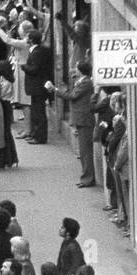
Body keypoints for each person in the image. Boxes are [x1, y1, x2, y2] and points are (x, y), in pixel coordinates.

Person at [50, 60, 96, 188]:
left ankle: (88, 178)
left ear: (81, 70)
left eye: (76, 68)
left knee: (85, 151)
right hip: (81, 119)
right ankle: (86, 176)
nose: (74, 71)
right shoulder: (81, 81)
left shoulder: (86, 83)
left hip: (84, 119)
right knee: (83, 151)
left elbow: (72, 96)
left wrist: (55, 90)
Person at [21, 30, 54, 143]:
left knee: (38, 113)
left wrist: (24, 67)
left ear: (31, 40)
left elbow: (34, 69)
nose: (26, 39)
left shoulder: (36, 53)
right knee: (36, 112)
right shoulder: (42, 50)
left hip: (37, 86)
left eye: (28, 37)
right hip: (40, 85)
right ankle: (35, 134)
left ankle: (40, 137)